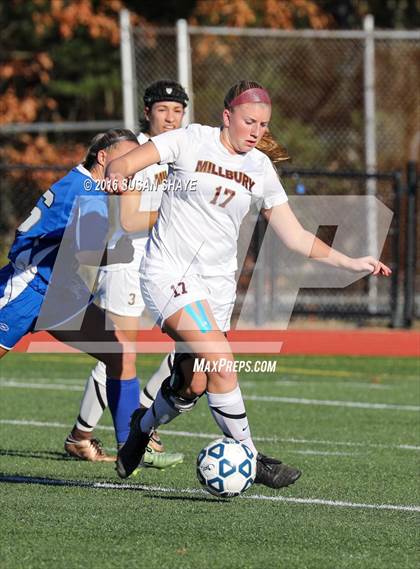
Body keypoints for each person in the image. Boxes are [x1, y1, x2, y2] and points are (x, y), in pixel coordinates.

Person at [105, 80, 391, 487]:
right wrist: (117, 174)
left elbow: (293, 236)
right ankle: (252, 458)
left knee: (193, 384)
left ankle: (142, 426)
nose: (257, 130)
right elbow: (126, 163)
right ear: (227, 117)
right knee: (221, 360)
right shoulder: (190, 139)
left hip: (217, 287)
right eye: (249, 121)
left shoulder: (260, 168)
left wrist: (349, 262)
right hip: (168, 274)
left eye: (264, 124)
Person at [64, 80, 189, 467]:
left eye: (178, 110)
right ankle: (83, 436)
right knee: (120, 353)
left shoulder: (178, 153)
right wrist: (176, 215)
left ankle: (141, 424)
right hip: (127, 262)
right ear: (147, 111)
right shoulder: (132, 152)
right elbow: (132, 218)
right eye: (163, 109)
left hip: (162, 264)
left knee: (188, 346)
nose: (171, 117)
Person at [0, 129, 144, 458]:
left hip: (61, 292)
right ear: (103, 158)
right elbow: (87, 249)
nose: (131, 169)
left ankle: (131, 447)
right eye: (125, 161)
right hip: (29, 288)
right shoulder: (88, 191)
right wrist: (116, 251)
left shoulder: (90, 186)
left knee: (120, 352)